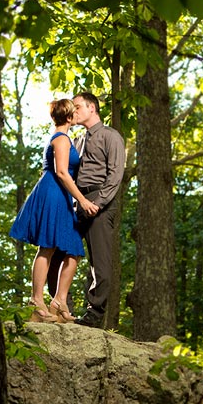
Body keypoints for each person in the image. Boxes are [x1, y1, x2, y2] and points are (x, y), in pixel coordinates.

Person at [9, 98, 99, 323]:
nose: (77, 115)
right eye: (74, 112)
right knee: (47, 247)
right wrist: (83, 200)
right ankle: (37, 300)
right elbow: (61, 172)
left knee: (74, 250)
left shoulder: (65, 138)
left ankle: (59, 301)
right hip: (53, 192)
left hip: (60, 195)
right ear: (68, 117)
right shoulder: (61, 140)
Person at [72, 92, 125, 328]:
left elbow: (115, 175)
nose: (73, 111)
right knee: (64, 252)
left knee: (100, 263)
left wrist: (98, 203)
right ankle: (60, 305)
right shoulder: (77, 140)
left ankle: (94, 315)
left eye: (77, 107)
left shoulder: (110, 136)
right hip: (78, 201)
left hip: (100, 202)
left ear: (92, 108)